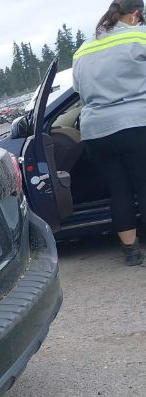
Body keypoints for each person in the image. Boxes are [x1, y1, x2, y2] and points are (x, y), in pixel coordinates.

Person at [73, 0, 146, 266]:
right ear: (136, 14)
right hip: (137, 124)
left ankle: (132, 252)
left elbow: (79, 91)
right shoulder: (140, 36)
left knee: (119, 191)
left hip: (97, 132)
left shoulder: (83, 49)